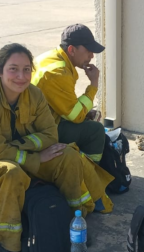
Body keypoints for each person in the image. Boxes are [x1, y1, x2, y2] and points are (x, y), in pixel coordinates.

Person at [0, 43, 113, 252]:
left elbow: (50, 135)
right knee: (10, 172)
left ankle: (70, 225)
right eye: (13, 69)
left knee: (68, 155)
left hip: (22, 154)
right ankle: (9, 246)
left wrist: (30, 151)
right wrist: (35, 156)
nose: (21, 77)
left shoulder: (34, 94)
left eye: (26, 69)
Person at [31, 24, 106, 162]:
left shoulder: (50, 57)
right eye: (88, 50)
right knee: (96, 131)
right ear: (72, 50)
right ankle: (92, 170)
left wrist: (84, 114)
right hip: (41, 130)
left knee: (87, 119)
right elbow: (75, 116)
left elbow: (61, 102)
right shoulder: (58, 73)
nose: (92, 56)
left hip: (36, 121)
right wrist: (94, 84)